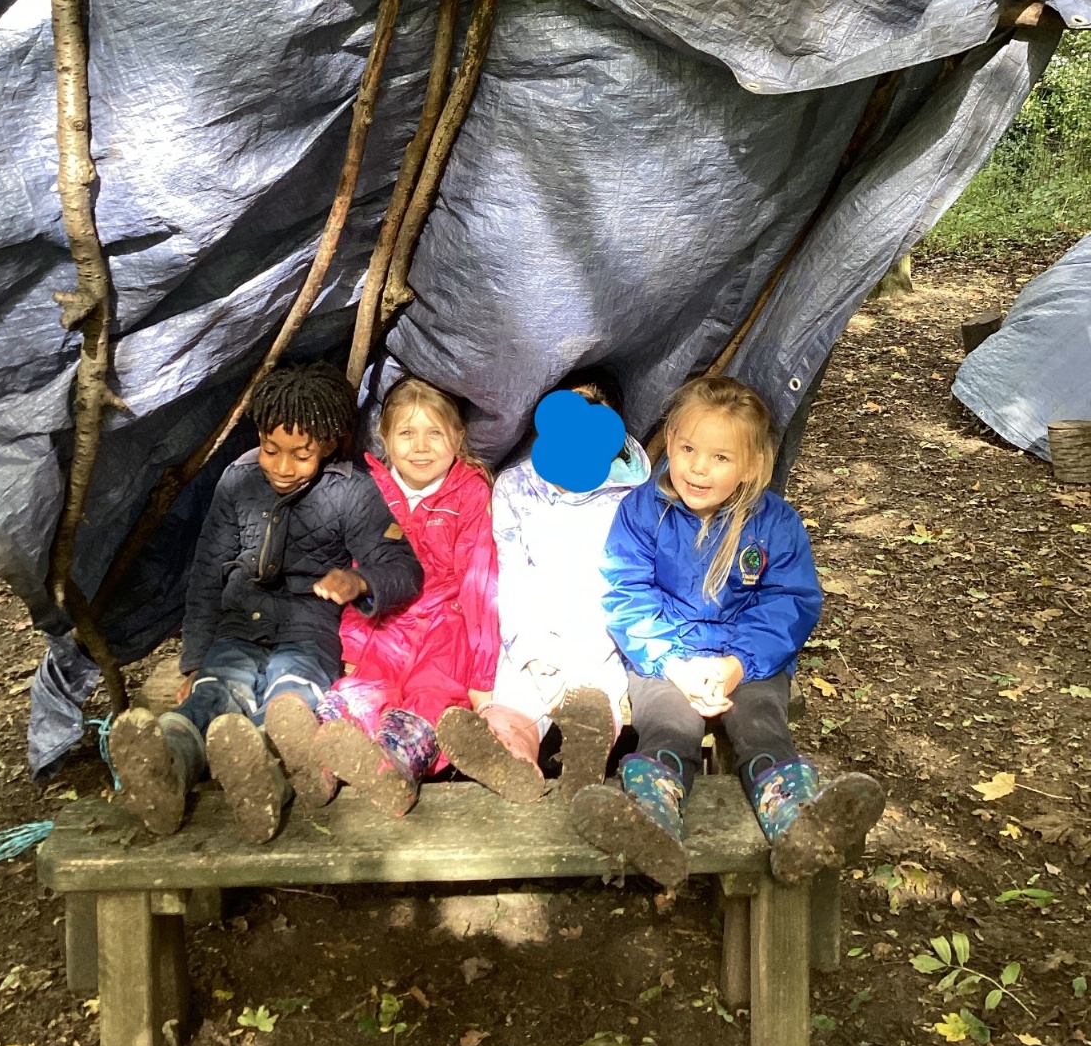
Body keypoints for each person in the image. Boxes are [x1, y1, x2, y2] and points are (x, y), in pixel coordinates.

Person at [571, 375, 884, 888]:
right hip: (668, 657)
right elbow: (627, 592)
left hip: (748, 660)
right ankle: (651, 821)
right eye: (688, 449)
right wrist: (673, 663)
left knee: (761, 725)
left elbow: (788, 602)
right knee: (668, 726)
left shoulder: (775, 523)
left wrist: (738, 664)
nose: (698, 467)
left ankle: (798, 824)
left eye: (720, 457)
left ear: (752, 465)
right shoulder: (642, 511)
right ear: (670, 441)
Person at [109, 362, 423, 843]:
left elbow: (403, 567)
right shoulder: (237, 481)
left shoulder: (351, 491)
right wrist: (194, 660)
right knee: (212, 695)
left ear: (329, 443)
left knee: (288, 703)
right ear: (258, 435)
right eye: (271, 450)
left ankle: (263, 779)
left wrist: (359, 581)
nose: (282, 467)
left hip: (308, 637)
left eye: (301, 455)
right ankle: (166, 769)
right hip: (237, 629)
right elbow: (207, 573)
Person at [275, 378, 499, 817]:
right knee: (361, 690)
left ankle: (393, 771)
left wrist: (482, 674)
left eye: (435, 433)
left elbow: (480, 582)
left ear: (458, 438)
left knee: (433, 695)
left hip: (447, 626)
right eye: (407, 433)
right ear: (384, 437)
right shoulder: (369, 490)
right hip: (385, 621)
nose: (421, 446)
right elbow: (356, 573)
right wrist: (352, 646)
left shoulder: (470, 492)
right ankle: (316, 765)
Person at [437, 367, 650, 802]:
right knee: (512, 710)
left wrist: (588, 653)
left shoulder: (631, 501)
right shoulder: (515, 488)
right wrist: (533, 654)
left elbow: (631, 585)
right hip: (529, 637)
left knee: (595, 706)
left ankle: (584, 767)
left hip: (599, 643)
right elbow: (511, 575)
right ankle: (509, 760)